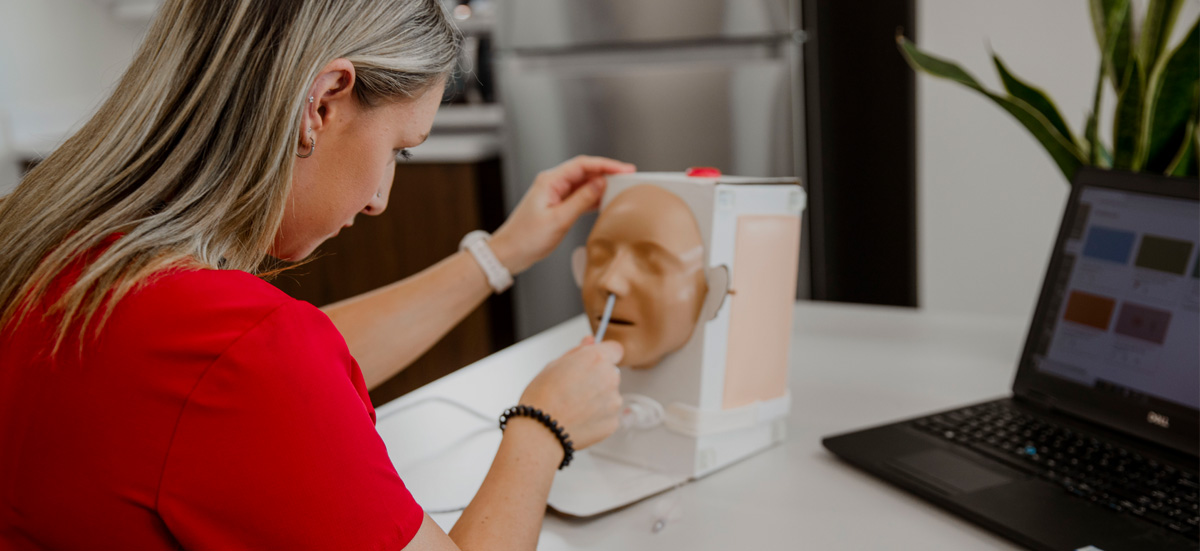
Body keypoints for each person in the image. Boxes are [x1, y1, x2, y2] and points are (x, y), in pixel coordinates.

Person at [0, 1, 634, 549]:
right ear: (323, 102)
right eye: (398, 149)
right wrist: (543, 427)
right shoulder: (236, 349)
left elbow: (248, 381)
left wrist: (502, 255)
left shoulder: (55, 249)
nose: (381, 197)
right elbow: (256, 371)